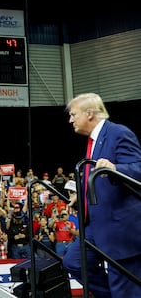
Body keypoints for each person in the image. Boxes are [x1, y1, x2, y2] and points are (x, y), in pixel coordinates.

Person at [63, 93, 141, 298]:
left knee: (123, 286)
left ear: (89, 114)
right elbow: (94, 174)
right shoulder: (94, 141)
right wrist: (81, 196)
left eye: (73, 114)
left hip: (119, 227)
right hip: (96, 225)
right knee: (74, 261)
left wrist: (116, 167)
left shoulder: (118, 133)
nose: (70, 120)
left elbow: (138, 168)